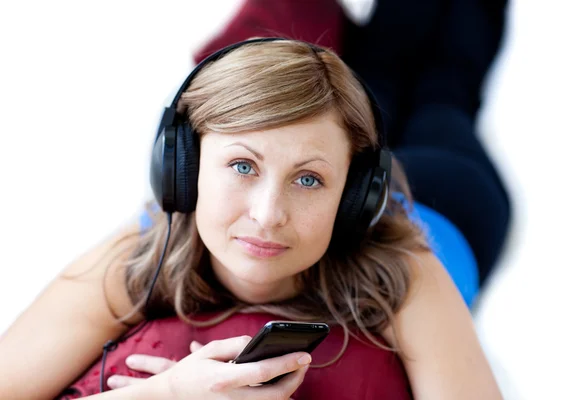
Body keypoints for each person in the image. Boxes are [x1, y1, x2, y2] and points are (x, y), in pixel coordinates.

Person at [0, 38, 502, 399]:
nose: (267, 216)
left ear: (354, 195)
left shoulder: (404, 270)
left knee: (447, 89)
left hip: (451, 199)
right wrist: (168, 393)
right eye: (243, 166)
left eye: (308, 180)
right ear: (184, 169)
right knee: (384, 61)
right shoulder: (135, 258)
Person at [192, 0, 512, 294]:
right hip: (448, 200)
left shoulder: (156, 236)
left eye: (242, 166)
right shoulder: (409, 289)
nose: (266, 216)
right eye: (243, 167)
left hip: (383, 178)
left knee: (394, 77)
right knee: (440, 92)